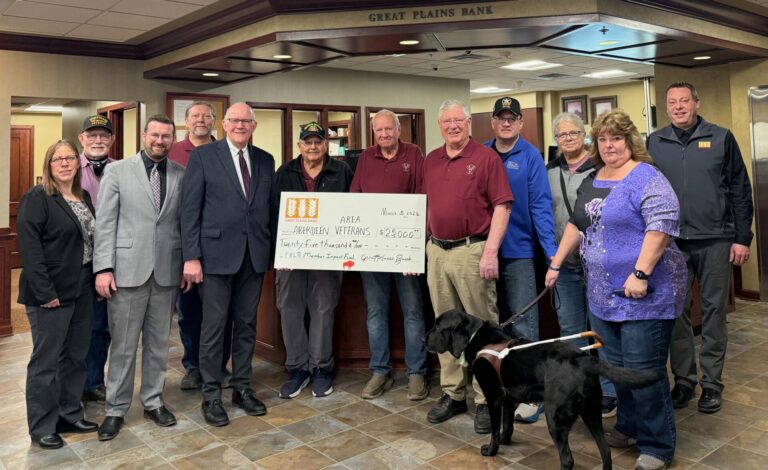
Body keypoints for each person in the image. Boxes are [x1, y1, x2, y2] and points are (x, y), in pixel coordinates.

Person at [545, 110, 686, 470]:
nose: (609, 146)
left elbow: (661, 227)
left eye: (617, 139)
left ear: (630, 141)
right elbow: (577, 225)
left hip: (644, 294)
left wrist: (640, 273)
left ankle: (656, 445)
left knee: (643, 370)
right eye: (604, 139)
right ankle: (628, 425)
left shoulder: (647, 177)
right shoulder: (594, 178)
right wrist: (557, 262)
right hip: (602, 296)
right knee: (615, 367)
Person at [648, 82, 754, 414]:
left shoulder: (721, 137)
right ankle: (683, 381)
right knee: (677, 315)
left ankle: (711, 384)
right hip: (672, 242)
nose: (678, 107)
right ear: (666, 107)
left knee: (713, 314)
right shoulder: (655, 142)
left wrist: (742, 237)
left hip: (716, 239)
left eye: (684, 101)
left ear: (697, 102)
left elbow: (740, 188)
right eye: (672, 102)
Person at [181, 102, 274, 427]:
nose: (240, 125)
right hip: (215, 257)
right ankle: (211, 395)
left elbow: (267, 210)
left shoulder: (265, 159)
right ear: (223, 124)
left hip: (254, 257)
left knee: (247, 325)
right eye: (234, 120)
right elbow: (189, 210)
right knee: (214, 328)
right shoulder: (204, 157)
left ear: (253, 125)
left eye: (246, 121)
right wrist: (190, 256)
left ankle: (242, 388)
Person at [93, 115, 186, 441]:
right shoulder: (117, 171)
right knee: (123, 346)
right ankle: (115, 409)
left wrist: (187, 262)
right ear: (144, 135)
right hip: (126, 272)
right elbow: (105, 222)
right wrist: (102, 268)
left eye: (166, 136)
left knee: (159, 344)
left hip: (166, 272)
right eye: (155, 135)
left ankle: (153, 400)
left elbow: (180, 223)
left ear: (173, 139)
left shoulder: (179, 174)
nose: (160, 141)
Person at [423, 99, 513, 434]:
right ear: (439, 125)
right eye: (446, 122)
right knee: (443, 328)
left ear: (469, 123)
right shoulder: (430, 160)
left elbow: (503, 208)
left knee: (483, 329)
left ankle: (486, 397)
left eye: (458, 121)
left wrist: (490, 252)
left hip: (471, 250)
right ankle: (453, 393)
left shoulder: (485, 158)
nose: (452, 126)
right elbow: (424, 207)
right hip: (437, 252)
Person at [17, 140, 99, 449]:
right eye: (57, 159)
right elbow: (30, 249)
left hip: (83, 286)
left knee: (76, 355)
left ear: (78, 164)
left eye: (69, 158)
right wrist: (44, 292)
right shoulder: (37, 198)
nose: (64, 164)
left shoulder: (84, 196)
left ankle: (69, 413)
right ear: (49, 166)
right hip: (50, 291)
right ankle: (42, 426)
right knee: (46, 361)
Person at [484, 97, 556, 424]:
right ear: (493, 122)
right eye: (501, 118)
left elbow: (541, 206)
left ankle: (533, 392)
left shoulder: (530, 157)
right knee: (495, 325)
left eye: (512, 118)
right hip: (485, 253)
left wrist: (550, 250)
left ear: (520, 123)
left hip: (519, 253)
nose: (506, 123)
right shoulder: (482, 152)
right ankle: (504, 387)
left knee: (524, 325)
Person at [351, 110, 429, 401]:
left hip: (405, 250)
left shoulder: (414, 154)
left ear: (399, 130)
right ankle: (380, 370)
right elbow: (355, 198)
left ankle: (417, 373)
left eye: (389, 129)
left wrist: (412, 248)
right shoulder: (365, 158)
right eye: (379, 130)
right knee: (375, 313)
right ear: (374, 133)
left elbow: (424, 197)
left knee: (413, 312)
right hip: (372, 251)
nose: (384, 134)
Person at [272, 122, 352, 399]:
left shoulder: (342, 172)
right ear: (300, 146)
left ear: (326, 145)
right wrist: (278, 252)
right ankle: (297, 368)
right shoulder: (285, 172)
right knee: (289, 308)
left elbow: (354, 210)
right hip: (290, 256)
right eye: (308, 142)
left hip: (327, 256)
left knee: (322, 309)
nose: (313, 147)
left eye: (318, 142)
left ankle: (320, 367)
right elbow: (272, 214)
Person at [547, 112, 617, 418]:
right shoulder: (549, 171)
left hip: (598, 265)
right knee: (571, 330)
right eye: (562, 136)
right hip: (564, 265)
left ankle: (610, 392)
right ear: (556, 140)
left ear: (584, 135)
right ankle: (577, 386)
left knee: (602, 329)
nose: (568, 139)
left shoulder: (602, 169)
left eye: (573, 133)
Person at [169, 101, 233, 391]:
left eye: (207, 116)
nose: (201, 120)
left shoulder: (227, 151)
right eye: (195, 115)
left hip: (220, 249)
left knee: (223, 312)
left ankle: (219, 365)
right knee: (190, 310)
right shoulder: (171, 152)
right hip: (184, 245)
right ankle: (193, 365)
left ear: (215, 122)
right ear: (185, 121)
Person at [77, 115, 116, 404]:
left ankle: (93, 382)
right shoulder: (67, 168)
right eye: (92, 135)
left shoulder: (122, 170)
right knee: (75, 327)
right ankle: (71, 385)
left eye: (103, 136)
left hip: (111, 261)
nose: (98, 141)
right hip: (76, 262)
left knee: (100, 327)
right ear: (82, 139)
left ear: (111, 140)